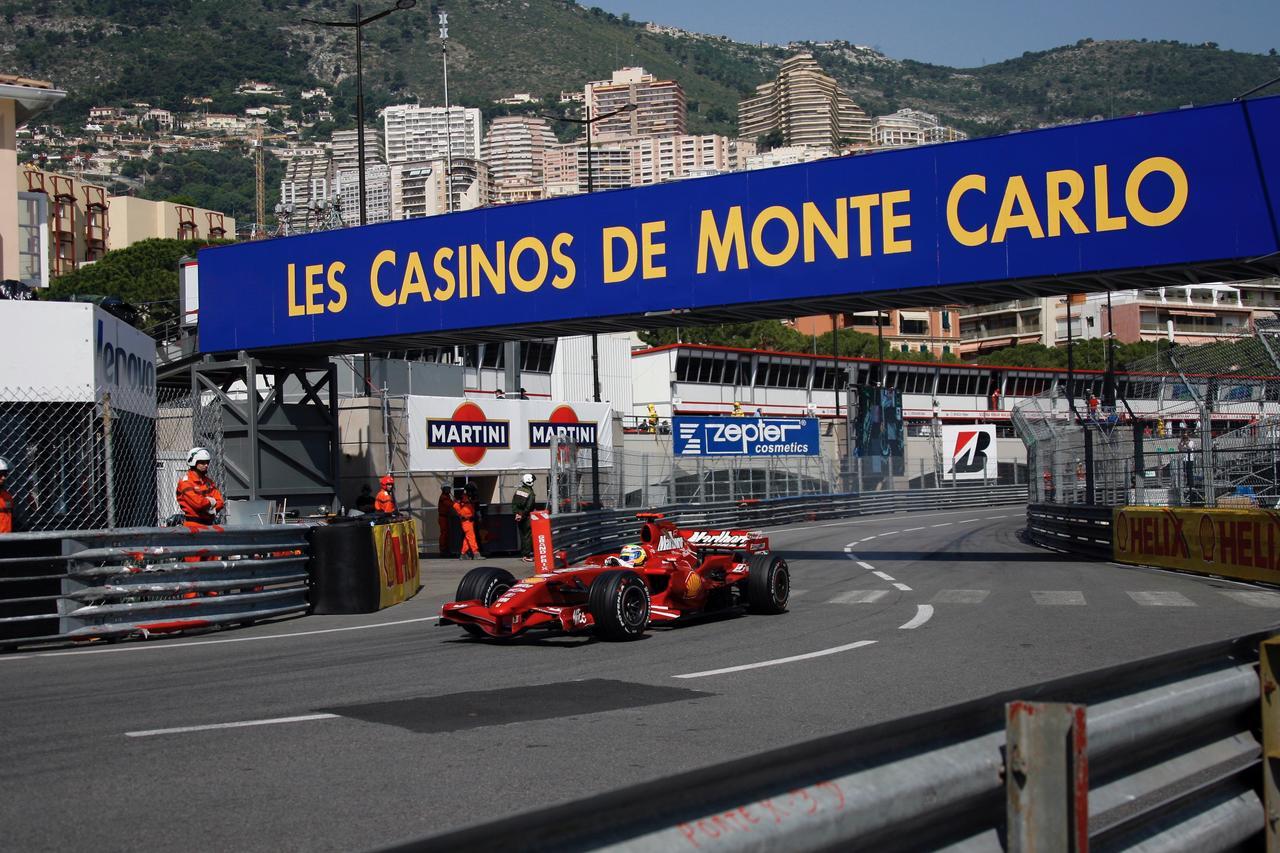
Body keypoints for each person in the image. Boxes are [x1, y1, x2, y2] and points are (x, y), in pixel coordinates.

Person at [176, 447, 225, 531]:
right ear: (193, 462)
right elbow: (198, 504)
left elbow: (220, 502)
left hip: (209, 525)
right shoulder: (185, 482)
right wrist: (211, 502)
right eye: (202, 463)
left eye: (207, 462)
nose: (206, 465)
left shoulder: (208, 482)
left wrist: (208, 506)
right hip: (193, 526)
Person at [512, 473, 537, 562]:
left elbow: (514, 504)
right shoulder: (530, 493)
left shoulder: (518, 490)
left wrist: (517, 514)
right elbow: (529, 506)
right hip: (526, 517)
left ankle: (525, 554)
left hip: (519, 516)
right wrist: (523, 514)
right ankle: (526, 555)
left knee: (523, 535)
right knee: (527, 536)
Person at [455, 488, 481, 559]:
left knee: (467, 538)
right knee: (471, 537)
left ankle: (463, 554)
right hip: (466, 522)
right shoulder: (463, 501)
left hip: (469, 521)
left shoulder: (466, 500)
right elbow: (459, 508)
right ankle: (476, 553)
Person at [437, 483, 455, 556]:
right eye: (446, 488)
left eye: (449, 488)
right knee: (444, 533)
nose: (448, 490)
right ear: (443, 489)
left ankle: (446, 548)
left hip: (446, 517)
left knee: (447, 533)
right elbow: (449, 504)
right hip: (443, 518)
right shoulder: (443, 497)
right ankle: (443, 549)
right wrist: (457, 505)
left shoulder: (447, 496)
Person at [0, 456, 14, 534]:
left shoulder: (7, 496)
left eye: (5, 474)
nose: (3, 478)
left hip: (7, 539)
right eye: (0, 474)